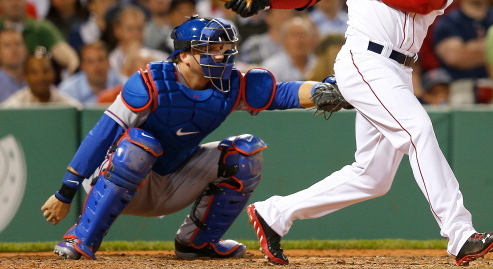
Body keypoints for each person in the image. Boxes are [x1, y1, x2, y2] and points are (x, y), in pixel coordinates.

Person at [225, 0, 493, 267]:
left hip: (400, 70)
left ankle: (275, 214)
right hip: (365, 59)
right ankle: (460, 234)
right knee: (418, 131)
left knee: (373, 177)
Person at [40, 15, 348, 260]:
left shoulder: (230, 85)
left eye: (226, 50)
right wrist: (65, 193)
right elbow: (102, 135)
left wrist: (324, 91)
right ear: (184, 55)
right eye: (212, 50)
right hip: (119, 176)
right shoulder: (149, 83)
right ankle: (81, 236)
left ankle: (197, 242)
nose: (222, 57)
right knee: (139, 145)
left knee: (245, 154)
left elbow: (282, 93)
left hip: (172, 179)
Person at [0, 0, 79, 74]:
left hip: (37, 84)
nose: (14, 3)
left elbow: (67, 55)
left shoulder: (41, 28)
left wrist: (72, 69)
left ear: (26, 0)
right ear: (1, 2)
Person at [2, 46, 82, 108]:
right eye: (34, 72)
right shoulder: (12, 107)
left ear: (54, 73)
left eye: (45, 71)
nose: (40, 77)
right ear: (25, 75)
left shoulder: (71, 107)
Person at [58, 41, 122, 105]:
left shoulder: (123, 86)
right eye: (90, 62)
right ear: (82, 66)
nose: (97, 66)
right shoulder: (68, 91)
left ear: (108, 62)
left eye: (101, 59)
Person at [0, 28, 27, 102]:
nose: (14, 49)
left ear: (25, 49)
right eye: (7, 45)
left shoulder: (35, 80)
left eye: (18, 44)